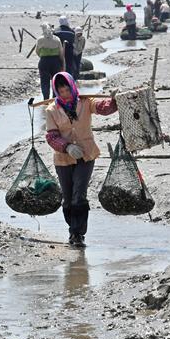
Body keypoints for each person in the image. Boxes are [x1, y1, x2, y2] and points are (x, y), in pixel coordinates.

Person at [45, 72, 118, 248]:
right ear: (57, 91)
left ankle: (77, 234)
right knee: (68, 199)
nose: (65, 93)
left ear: (72, 86)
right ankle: (72, 228)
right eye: (61, 91)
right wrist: (67, 147)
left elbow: (103, 108)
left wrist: (114, 101)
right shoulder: (51, 110)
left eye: (67, 89)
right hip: (63, 159)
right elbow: (51, 136)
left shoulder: (85, 102)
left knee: (79, 195)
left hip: (86, 154)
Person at [33, 22, 64, 100]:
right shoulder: (57, 39)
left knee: (44, 81)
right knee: (55, 81)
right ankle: (55, 98)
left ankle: (46, 99)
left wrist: (43, 56)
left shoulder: (40, 39)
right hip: (55, 62)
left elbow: (37, 51)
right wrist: (62, 63)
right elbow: (61, 53)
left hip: (44, 61)